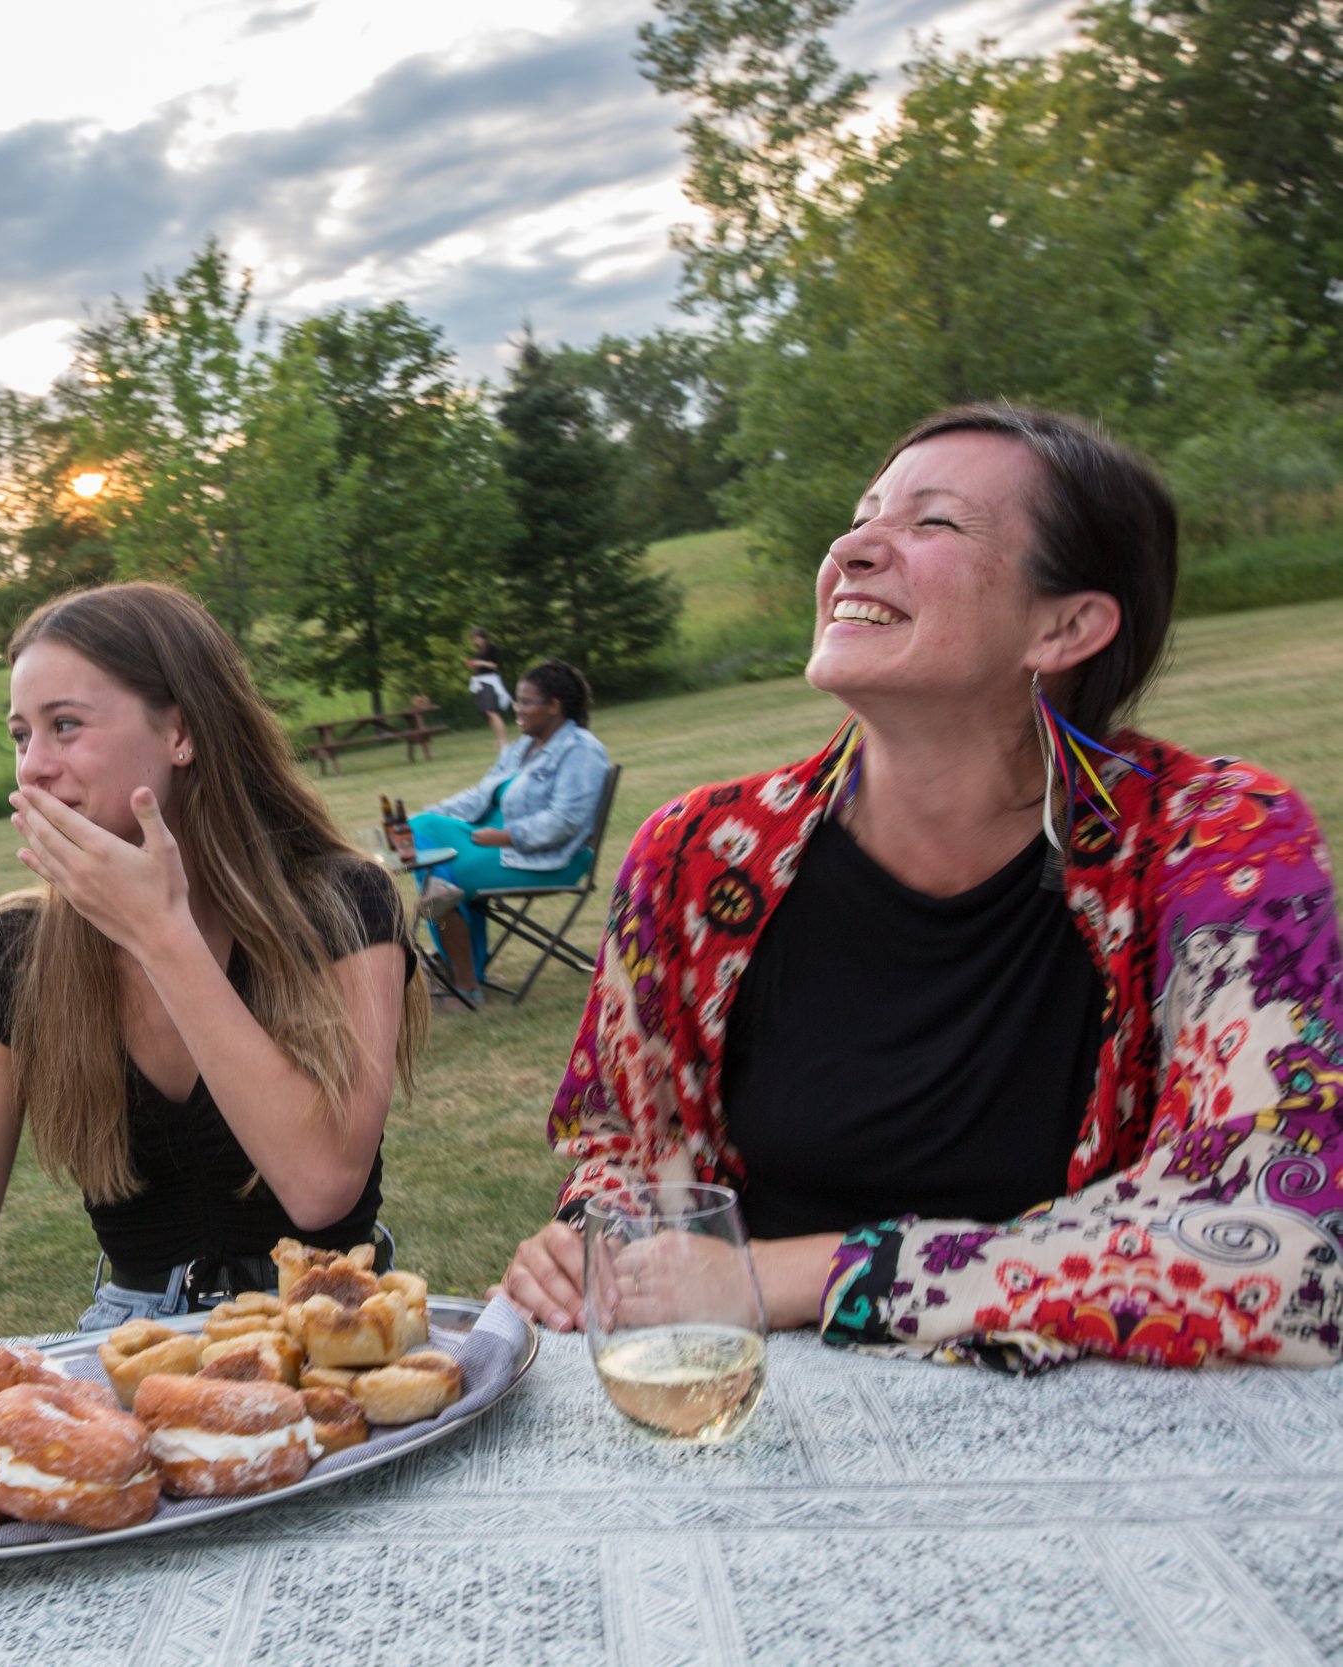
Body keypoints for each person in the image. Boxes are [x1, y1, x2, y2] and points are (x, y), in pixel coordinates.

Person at [499, 404, 1342, 1370]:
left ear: (1066, 624)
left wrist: (791, 1275)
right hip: (757, 1425)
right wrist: (593, 1246)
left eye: (931, 522)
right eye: (862, 516)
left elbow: (1286, 1244)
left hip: (1099, 1442)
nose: (855, 547)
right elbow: (622, 1147)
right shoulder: (696, 858)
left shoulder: (1213, 840)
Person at [0, 581, 427, 1328]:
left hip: (332, 1322)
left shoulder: (341, 902)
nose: (32, 768)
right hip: (134, 1345)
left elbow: (322, 1182)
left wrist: (162, 934)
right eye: (20, 736)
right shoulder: (15, 952)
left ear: (180, 732)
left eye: (65, 725)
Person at [406, 659, 611, 1002]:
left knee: (439, 876)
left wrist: (507, 836)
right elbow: (478, 795)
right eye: (517, 700)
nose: (517, 709)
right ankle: (466, 976)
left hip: (544, 858)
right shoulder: (521, 748)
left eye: (526, 701)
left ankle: (463, 979)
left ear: (554, 706)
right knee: (423, 842)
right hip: (493, 847)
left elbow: (567, 819)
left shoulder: (582, 750)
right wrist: (423, 814)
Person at [465, 627, 512, 749]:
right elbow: (479, 669)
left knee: (492, 712)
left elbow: (495, 665)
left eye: (477, 638)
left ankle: (503, 740)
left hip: (490, 681)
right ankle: (498, 739)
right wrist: (473, 665)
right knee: (488, 712)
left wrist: (481, 663)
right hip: (481, 681)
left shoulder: (492, 648)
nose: (476, 641)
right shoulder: (478, 651)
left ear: (483, 637)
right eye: (474, 639)